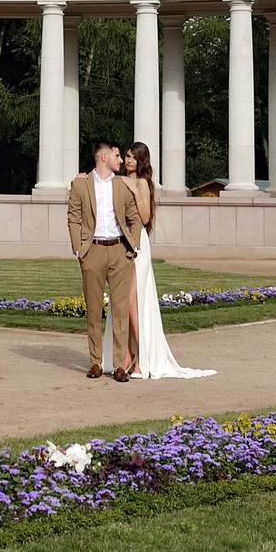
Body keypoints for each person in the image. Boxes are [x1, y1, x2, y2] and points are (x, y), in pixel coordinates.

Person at [123, 141, 214, 380]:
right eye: (126, 156)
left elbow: (144, 216)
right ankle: (127, 356)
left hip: (138, 243)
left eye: (133, 157)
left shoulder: (141, 183)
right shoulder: (122, 180)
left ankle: (141, 359)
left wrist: (133, 191)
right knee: (124, 302)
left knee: (133, 302)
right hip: (122, 241)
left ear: (141, 160)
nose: (128, 160)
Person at [64, 139, 142, 381]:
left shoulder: (123, 185)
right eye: (118, 156)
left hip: (120, 251)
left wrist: (133, 247)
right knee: (94, 309)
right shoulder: (81, 184)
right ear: (104, 158)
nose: (122, 160)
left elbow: (135, 219)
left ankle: (120, 366)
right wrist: (79, 250)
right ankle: (95, 362)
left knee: (120, 310)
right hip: (93, 251)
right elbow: (73, 217)